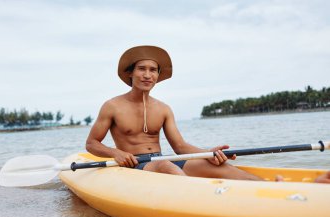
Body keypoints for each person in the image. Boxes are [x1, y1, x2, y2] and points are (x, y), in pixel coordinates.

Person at [85, 45, 330, 183]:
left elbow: (180, 146)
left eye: (153, 70)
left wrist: (210, 153)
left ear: (158, 76)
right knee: (169, 169)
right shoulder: (112, 106)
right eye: (142, 69)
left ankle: (281, 190)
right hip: (137, 166)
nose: (148, 75)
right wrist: (116, 152)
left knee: (221, 169)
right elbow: (92, 143)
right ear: (131, 73)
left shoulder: (163, 108)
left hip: (164, 160)